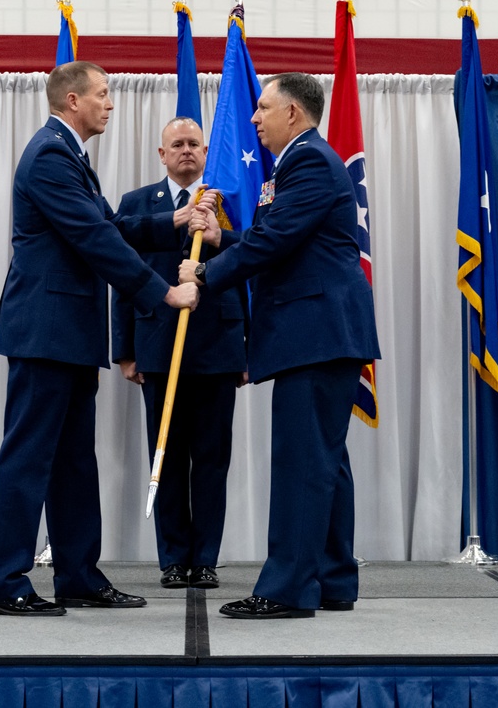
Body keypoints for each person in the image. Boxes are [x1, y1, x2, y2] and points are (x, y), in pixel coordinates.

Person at [0, 61, 201, 617]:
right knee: (28, 457)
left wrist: (176, 222)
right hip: (44, 331)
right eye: (102, 94)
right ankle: (2, 582)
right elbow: (94, 238)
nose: (110, 103)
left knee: (75, 460)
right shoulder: (51, 154)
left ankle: (78, 575)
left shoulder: (70, 155)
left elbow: (112, 224)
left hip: (69, 333)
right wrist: (163, 294)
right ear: (72, 99)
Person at [180, 72, 380, 619]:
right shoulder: (298, 163)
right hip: (319, 332)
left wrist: (201, 273)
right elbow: (282, 235)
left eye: (263, 108)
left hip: (314, 332)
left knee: (301, 462)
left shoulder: (310, 160)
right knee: (324, 462)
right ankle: (333, 579)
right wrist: (224, 238)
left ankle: (287, 588)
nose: (253, 117)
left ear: (292, 112)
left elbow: (277, 239)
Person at [112, 117, 247, 590]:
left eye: (194, 144)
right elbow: (122, 279)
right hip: (157, 345)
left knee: (212, 458)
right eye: (177, 145)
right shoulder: (135, 205)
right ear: (161, 153)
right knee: (165, 456)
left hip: (218, 346)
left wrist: (247, 348)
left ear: (207, 151)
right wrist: (124, 351)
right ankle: (173, 558)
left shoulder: (227, 204)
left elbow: (248, 270)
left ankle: (205, 558)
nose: (186, 151)